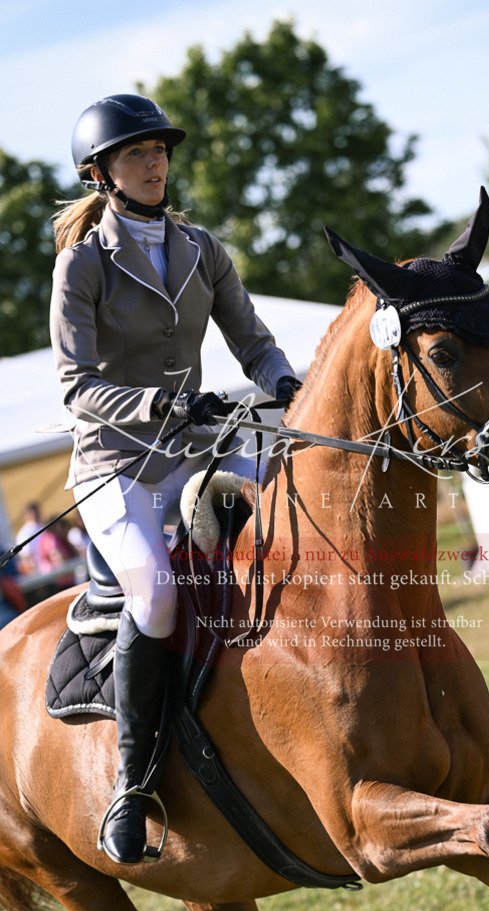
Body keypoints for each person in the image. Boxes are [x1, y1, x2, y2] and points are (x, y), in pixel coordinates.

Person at [50, 93, 302, 865]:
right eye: (136, 153)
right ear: (102, 174)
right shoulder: (82, 265)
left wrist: (288, 384)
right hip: (116, 466)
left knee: (290, 506)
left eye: (159, 149)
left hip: (196, 451)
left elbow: (254, 342)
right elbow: (76, 386)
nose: (154, 162)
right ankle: (133, 784)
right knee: (157, 595)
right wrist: (159, 402)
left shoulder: (201, 249)